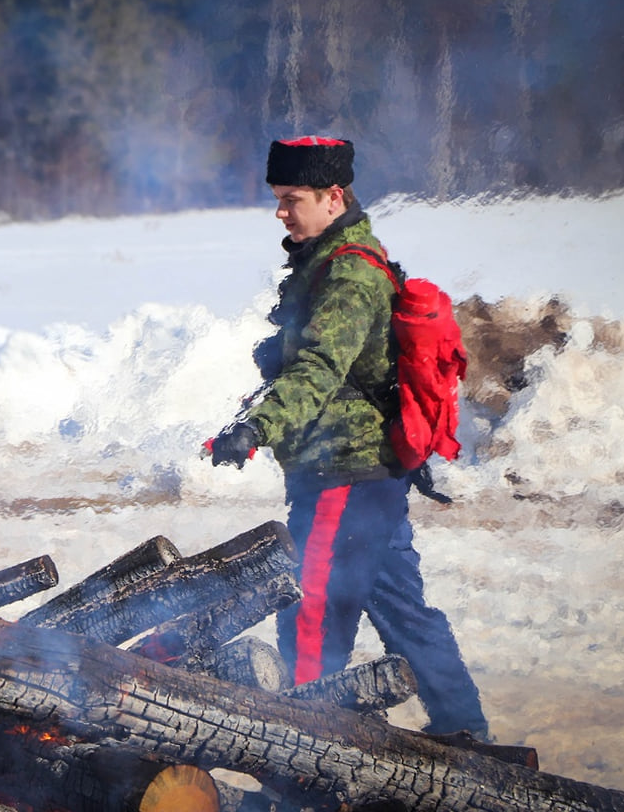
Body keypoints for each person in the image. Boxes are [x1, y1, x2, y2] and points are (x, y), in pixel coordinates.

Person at [206, 136, 490, 739]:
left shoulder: (350, 274)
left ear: (334, 198)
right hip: (367, 473)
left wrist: (258, 426)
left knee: (311, 609)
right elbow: (320, 358)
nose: (281, 212)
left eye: (292, 199)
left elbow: (319, 371)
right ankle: (468, 733)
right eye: (278, 199)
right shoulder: (327, 259)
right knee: (404, 611)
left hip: (346, 471)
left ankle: (304, 749)